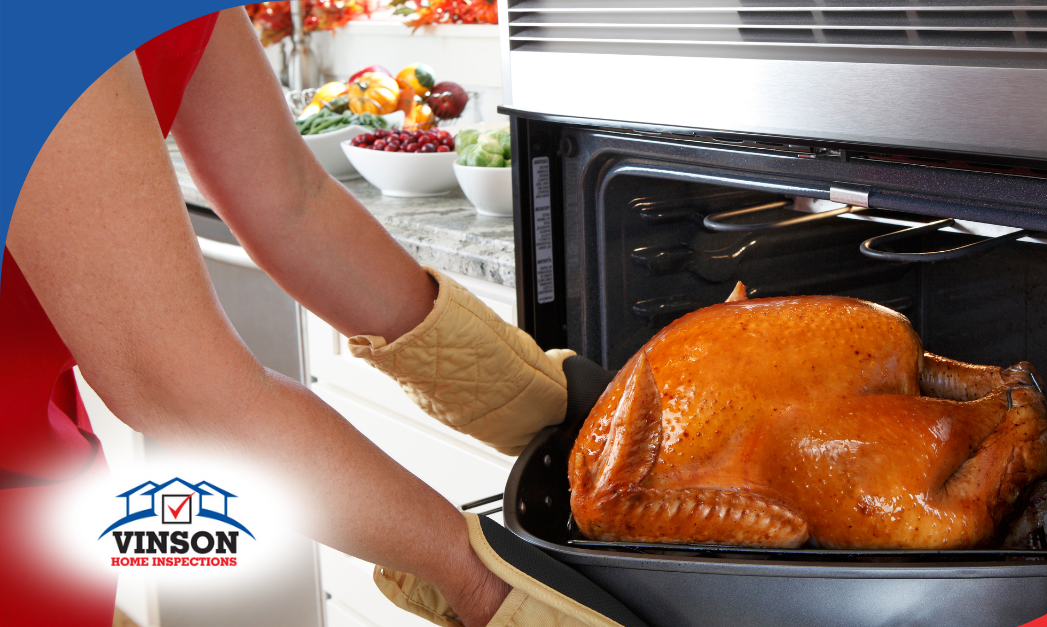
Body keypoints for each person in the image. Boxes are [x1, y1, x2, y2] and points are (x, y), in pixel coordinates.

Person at [2, 9, 638, 627]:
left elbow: (293, 207)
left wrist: (526, 394)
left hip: (46, 451)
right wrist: (481, 584)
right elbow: (181, 391)